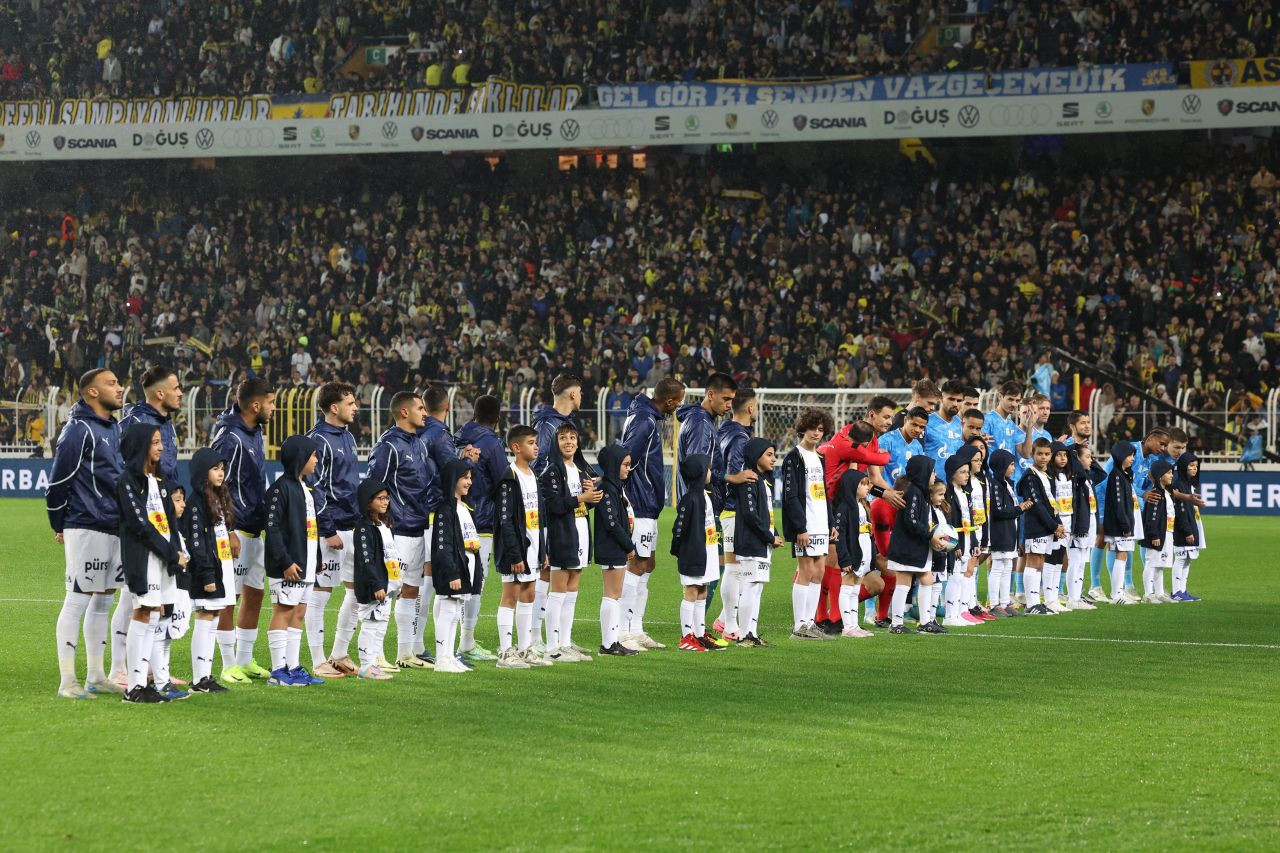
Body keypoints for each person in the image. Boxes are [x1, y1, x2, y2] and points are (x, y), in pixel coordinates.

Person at [47, 368, 125, 699]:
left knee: (104, 600)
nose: (119, 388)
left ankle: (95, 674)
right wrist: (59, 524)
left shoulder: (113, 428)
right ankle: (68, 680)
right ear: (92, 392)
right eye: (112, 384)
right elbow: (58, 482)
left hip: (113, 525)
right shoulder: (78, 430)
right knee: (77, 599)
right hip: (86, 524)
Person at [367, 391, 439, 671]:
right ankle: (373, 654)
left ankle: (405, 653)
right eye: (421, 408)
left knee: (411, 590)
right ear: (405, 412)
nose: (425, 413)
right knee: (386, 590)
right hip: (396, 531)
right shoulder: (388, 446)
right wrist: (380, 526)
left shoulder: (419, 445)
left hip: (418, 527)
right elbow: (374, 486)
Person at [211, 376, 276, 683]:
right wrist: (228, 529)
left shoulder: (253, 433)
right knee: (228, 597)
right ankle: (227, 665)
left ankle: (245, 659)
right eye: (271, 402)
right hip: (234, 530)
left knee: (254, 593)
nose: (274, 408)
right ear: (255, 405)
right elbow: (214, 483)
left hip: (253, 527)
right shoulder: (230, 437)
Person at [116, 423, 187, 703]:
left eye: (161, 442)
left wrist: (176, 553)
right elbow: (140, 526)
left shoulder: (156, 482)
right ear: (141, 445)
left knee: (155, 616)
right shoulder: (127, 481)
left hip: (162, 560)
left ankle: (147, 682)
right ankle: (133, 686)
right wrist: (172, 553)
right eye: (155, 442)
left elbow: (168, 524)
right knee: (143, 613)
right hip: (143, 559)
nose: (161, 447)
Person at [619, 376, 685, 651]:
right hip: (639, 502)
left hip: (649, 504)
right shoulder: (644, 422)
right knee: (636, 565)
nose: (678, 407)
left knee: (647, 565)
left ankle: (636, 628)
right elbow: (626, 458)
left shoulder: (647, 418)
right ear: (668, 401)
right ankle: (623, 632)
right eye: (678, 402)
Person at [533, 374, 594, 649]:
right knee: (547, 574)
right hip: (550, 513)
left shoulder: (562, 426)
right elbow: (539, 470)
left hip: (572, 518)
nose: (582, 397)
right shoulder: (547, 425)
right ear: (572, 394)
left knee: (567, 577)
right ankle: (537, 637)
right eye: (580, 392)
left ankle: (562, 640)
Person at [305, 381, 361, 679]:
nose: (355, 407)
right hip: (332, 529)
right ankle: (317, 660)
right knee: (321, 592)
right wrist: (327, 530)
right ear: (334, 407)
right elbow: (315, 488)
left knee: (357, 591)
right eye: (350, 403)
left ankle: (339, 653)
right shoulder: (318, 440)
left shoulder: (348, 437)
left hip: (352, 524)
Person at [675, 373, 737, 621]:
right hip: (701, 504)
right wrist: (730, 477)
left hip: (703, 503)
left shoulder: (703, 421)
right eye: (726, 398)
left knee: (712, 567)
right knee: (705, 571)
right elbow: (699, 469)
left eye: (732, 399)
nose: (729, 404)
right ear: (710, 395)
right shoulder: (701, 425)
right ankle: (694, 631)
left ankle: (698, 630)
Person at [421, 385, 478, 657]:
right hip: (436, 511)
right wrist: (466, 462)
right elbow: (450, 474)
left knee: (421, 582)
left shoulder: (417, 431)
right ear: (447, 408)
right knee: (434, 582)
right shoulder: (440, 434)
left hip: (417, 512)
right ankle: (422, 646)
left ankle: (418, 644)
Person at [263, 434, 323, 686]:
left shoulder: (305, 489)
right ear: (299, 457)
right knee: (284, 610)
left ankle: (294, 666)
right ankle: (278, 670)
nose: (316, 460)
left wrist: (317, 557)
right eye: (312, 456)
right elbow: (272, 527)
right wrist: (285, 561)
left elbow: (311, 527)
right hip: (288, 566)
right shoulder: (280, 488)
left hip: (305, 565)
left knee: (299, 612)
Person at [454, 394, 508, 662]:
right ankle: (466, 641)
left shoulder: (456, 437)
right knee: (476, 581)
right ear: (497, 419)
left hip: (456, 515)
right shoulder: (492, 443)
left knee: (455, 578)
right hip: (482, 520)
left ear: (474, 414)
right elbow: (504, 480)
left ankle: (452, 640)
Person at [540, 423, 600, 662]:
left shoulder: (580, 469)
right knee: (558, 591)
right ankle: (552, 647)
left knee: (572, 589)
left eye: (572, 437)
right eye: (563, 438)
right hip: (562, 533)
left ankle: (565, 643)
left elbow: (587, 503)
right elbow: (553, 505)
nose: (568, 442)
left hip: (580, 531)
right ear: (556, 442)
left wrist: (593, 496)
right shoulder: (552, 470)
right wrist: (581, 498)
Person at [493, 425, 551, 668]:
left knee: (529, 593)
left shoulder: (533, 475)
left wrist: (543, 550)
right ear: (516, 447)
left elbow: (537, 515)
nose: (536, 446)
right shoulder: (510, 477)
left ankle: (525, 648)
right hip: (515, 550)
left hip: (533, 547)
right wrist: (515, 553)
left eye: (536, 442)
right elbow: (505, 520)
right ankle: (506, 652)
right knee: (511, 596)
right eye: (530, 442)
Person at [183, 447, 234, 693]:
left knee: (213, 618)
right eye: (215, 468)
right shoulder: (196, 502)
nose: (220, 473)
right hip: (206, 572)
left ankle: (206, 676)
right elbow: (196, 543)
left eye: (222, 468)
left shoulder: (216, 498)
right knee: (204, 618)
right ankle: (199, 679)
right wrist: (206, 574)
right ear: (203, 472)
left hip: (217, 568)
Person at [782, 408, 836, 641]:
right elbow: (791, 496)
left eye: (821, 429)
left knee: (819, 572)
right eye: (813, 428)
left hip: (821, 523)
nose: (817, 433)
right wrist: (799, 528)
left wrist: (831, 522)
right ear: (803, 428)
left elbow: (823, 493)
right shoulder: (794, 457)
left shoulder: (821, 457)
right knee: (806, 571)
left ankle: (810, 623)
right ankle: (798, 626)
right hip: (805, 524)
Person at [712, 387, 759, 640]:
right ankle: (730, 625)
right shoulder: (740, 438)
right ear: (750, 408)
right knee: (734, 567)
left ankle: (723, 619)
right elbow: (734, 474)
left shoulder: (725, 431)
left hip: (730, 508)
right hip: (733, 508)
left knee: (737, 567)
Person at [431, 459, 483, 674]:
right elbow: (444, 545)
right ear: (453, 479)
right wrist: (451, 572)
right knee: (449, 609)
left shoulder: (465, 508)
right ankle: (442, 659)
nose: (469, 482)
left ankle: (449, 656)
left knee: (455, 612)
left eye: (470, 477)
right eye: (464, 477)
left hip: (467, 565)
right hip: (454, 568)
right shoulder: (445, 510)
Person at [731, 437, 781, 647]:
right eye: (769, 454)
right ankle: (743, 635)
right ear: (755, 456)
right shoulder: (749, 480)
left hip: (761, 544)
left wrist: (774, 534)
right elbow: (751, 516)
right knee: (750, 587)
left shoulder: (762, 480)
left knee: (757, 588)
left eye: (774, 454)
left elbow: (765, 514)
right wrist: (770, 537)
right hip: (751, 543)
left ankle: (751, 632)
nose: (774, 459)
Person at [886, 456, 945, 634]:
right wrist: (930, 536)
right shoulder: (913, 493)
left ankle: (925, 621)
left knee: (927, 578)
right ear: (923, 473)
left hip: (918, 546)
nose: (934, 475)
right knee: (904, 581)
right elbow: (910, 520)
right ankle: (896, 624)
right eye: (932, 471)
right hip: (906, 546)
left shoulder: (922, 494)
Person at [670, 454, 722, 652]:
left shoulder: (705, 495)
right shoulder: (690, 499)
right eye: (707, 468)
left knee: (702, 591)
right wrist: (679, 550)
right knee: (691, 591)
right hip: (693, 553)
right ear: (700, 472)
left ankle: (700, 634)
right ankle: (686, 636)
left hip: (707, 552)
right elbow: (679, 528)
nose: (710, 472)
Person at [352, 479, 403, 680]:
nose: (385, 502)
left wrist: (396, 583)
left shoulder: (383, 525)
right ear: (367, 501)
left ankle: (374, 663)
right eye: (380, 498)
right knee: (370, 624)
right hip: (373, 587)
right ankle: (366, 666)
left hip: (387, 585)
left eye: (387, 498)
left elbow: (390, 556)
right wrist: (376, 584)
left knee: (380, 624)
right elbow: (367, 560)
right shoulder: (364, 528)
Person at [594, 443, 639, 657]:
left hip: (617, 548)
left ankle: (613, 641)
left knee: (616, 595)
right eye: (624, 464)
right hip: (611, 548)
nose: (627, 469)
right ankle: (608, 643)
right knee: (611, 595)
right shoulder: (606, 489)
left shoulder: (615, 487)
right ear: (613, 465)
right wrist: (628, 545)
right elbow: (612, 523)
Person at [151, 480, 191, 697]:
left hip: (175, 587)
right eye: (177, 500)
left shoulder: (176, 529)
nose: (182, 504)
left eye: (183, 499)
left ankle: (162, 678)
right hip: (164, 587)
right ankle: (159, 681)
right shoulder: (164, 532)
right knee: (159, 634)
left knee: (166, 636)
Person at [1018, 438, 1064, 615]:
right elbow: (1037, 505)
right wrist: (1054, 525)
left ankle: (1037, 601)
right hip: (1036, 525)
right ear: (1032, 454)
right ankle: (1031, 604)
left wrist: (1058, 523)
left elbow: (1052, 502)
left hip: (1048, 525)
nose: (1043, 457)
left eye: (1046, 454)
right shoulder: (1030, 476)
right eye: (1039, 454)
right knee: (1034, 560)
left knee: (1040, 562)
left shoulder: (1048, 475)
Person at [987, 449, 1031, 617]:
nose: (1014, 468)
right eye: (1011, 465)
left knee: (1007, 567)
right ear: (1002, 466)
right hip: (1000, 531)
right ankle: (993, 604)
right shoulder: (995, 484)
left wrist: (1019, 509)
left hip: (1010, 531)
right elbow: (998, 511)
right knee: (998, 567)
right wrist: (1019, 508)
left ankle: (1005, 603)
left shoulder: (1007, 484)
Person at [832, 469, 876, 638]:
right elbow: (840, 536)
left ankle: (854, 625)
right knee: (848, 587)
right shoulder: (845, 508)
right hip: (852, 553)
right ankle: (847, 627)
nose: (867, 488)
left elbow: (869, 533)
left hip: (863, 552)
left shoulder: (863, 506)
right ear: (851, 486)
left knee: (856, 588)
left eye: (867, 484)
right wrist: (844, 558)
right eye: (863, 484)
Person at [119, 365, 182, 483]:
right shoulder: (136, 424)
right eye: (175, 388)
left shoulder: (168, 424)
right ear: (160, 394)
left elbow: (170, 469)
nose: (180, 393)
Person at [942, 448, 980, 627]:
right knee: (955, 577)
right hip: (955, 541)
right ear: (952, 473)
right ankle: (950, 615)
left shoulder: (966, 493)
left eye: (967, 472)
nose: (966, 475)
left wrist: (974, 542)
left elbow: (969, 519)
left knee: (963, 575)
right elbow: (949, 520)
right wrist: (953, 544)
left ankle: (958, 613)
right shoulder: (948, 494)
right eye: (962, 472)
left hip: (966, 539)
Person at [1066, 444, 1105, 610]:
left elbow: (1102, 474)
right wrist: (1075, 457)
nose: (1091, 460)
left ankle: (1077, 596)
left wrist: (1090, 460)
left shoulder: (1088, 477)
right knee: (1075, 561)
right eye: (1088, 456)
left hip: (1089, 523)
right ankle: (1072, 598)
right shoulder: (1076, 478)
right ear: (1077, 459)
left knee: (1082, 562)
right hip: (1079, 524)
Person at [1103, 443, 1139, 605]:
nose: (1132, 459)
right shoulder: (1116, 475)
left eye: (1133, 455)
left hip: (1123, 523)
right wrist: (1125, 525)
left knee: (1122, 555)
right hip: (1118, 525)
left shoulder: (1125, 474)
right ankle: (1116, 594)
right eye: (1129, 455)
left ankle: (1118, 592)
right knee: (1121, 554)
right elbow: (1118, 503)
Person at [1139, 461, 1177, 604]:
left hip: (1166, 532)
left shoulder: (1166, 492)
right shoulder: (1155, 494)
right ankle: (1148, 594)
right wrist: (1154, 534)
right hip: (1157, 534)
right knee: (1151, 562)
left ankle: (1159, 592)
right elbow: (1152, 517)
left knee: (1160, 564)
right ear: (1160, 476)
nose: (1171, 475)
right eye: (1168, 472)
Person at [1170, 452, 1203, 602]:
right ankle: (1176, 591)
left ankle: (1183, 590)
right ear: (1183, 466)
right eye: (1191, 465)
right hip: (1183, 529)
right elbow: (1180, 510)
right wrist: (1187, 530)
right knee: (1181, 558)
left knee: (1188, 560)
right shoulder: (1178, 485)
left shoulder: (1189, 485)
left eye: (1196, 466)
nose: (1194, 468)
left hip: (1191, 525)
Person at [923, 379, 966, 480]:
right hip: (933, 486)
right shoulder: (927, 422)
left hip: (955, 486)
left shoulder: (960, 423)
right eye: (951, 399)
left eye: (959, 400)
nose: (955, 404)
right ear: (941, 398)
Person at [879, 406, 928, 483]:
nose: (917, 430)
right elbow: (876, 477)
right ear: (905, 420)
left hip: (906, 494)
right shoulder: (886, 441)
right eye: (914, 425)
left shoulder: (918, 447)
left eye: (921, 427)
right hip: (885, 493)